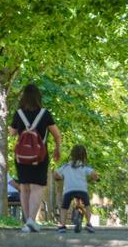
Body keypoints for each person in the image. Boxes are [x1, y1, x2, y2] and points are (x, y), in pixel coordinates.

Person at [9, 84, 61, 233]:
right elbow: (57, 135)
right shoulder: (45, 114)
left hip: (22, 158)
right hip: (40, 156)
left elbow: (12, 132)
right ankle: (32, 220)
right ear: (38, 97)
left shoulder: (19, 114)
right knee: (37, 187)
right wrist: (58, 149)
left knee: (24, 188)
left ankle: (27, 222)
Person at [53, 144, 99, 234]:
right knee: (87, 205)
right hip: (82, 190)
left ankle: (62, 225)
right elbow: (94, 174)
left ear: (72, 155)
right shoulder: (84, 166)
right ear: (84, 155)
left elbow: (55, 173)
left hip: (69, 190)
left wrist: (61, 178)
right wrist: (96, 178)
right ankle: (89, 223)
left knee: (64, 207)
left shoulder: (66, 166)